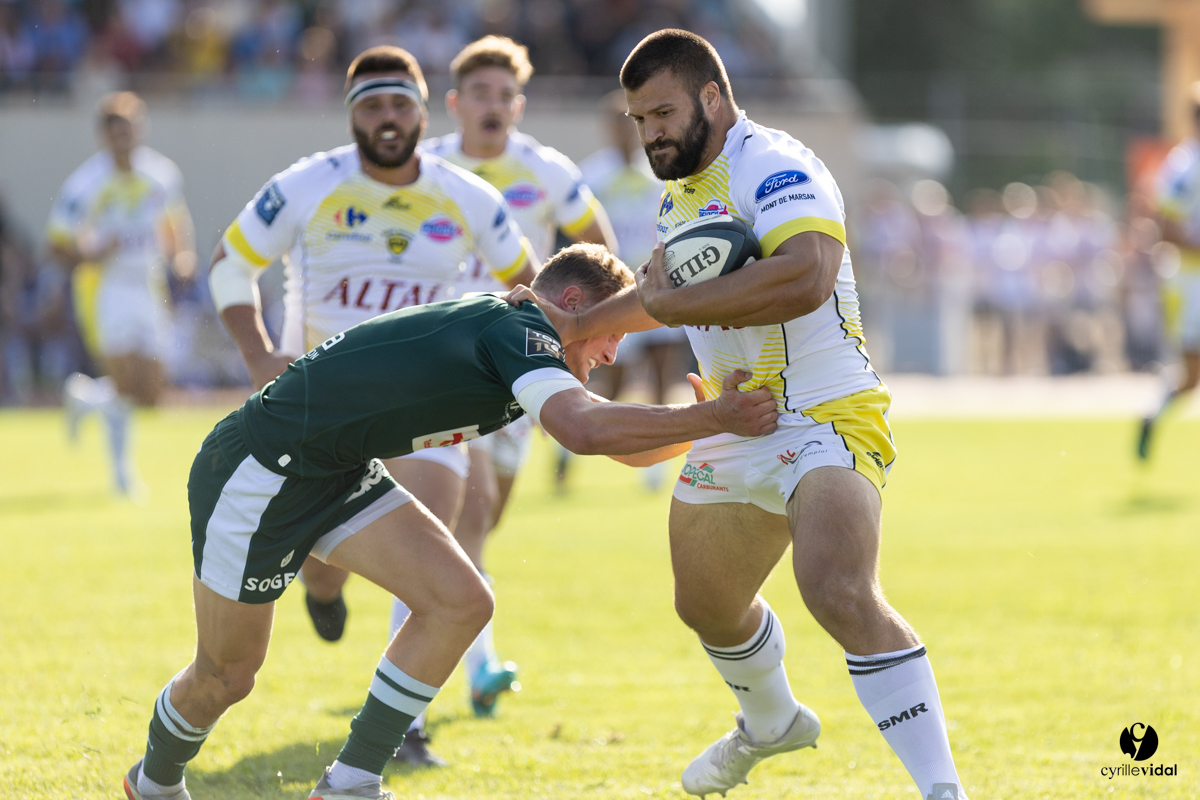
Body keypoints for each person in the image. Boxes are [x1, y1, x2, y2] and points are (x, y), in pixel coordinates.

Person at [121, 243, 778, 800]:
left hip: (336, 470)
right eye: (616, 335)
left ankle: (349, 783)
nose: (611, 355)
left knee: (461, 603)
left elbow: (615, 442)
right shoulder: (521, 329)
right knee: (226, 676)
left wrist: (705, 428)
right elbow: (582, 430)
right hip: (261, 469)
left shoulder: (529, 335)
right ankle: (152, 784)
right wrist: (711, 420)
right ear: (578, 304)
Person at [511, 30, 969, 800]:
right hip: (729, 420)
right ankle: (771, 721)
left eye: (662, 110)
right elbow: (667, 299)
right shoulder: (677, 192)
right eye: (638, 118)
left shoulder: (776, 163)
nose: (650, 130)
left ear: (713, 98)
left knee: (837, 589)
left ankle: (942, 790)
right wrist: (575, 325)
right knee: (706, 605)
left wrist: (665, 302)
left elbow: (807, 275)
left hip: (824, 412)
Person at [207, 44, 539, 764]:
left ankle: (402, 727)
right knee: (326, 566)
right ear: (352, 113)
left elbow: (530, 284)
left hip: (427, 405)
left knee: (432, 550)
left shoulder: (469, 195)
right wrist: (261, 355)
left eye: (399, 104)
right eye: (372, 105)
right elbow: (230, 265)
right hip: (325, 404)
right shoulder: (307, 185)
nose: (387, 118)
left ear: (422, 111)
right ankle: (323, 590)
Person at [418, 34, 618, 718]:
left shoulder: (547, 169)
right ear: (454, 103)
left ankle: (468, 648)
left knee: (485, 516)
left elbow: (599, 249)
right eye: (480, 93)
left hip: (523, 363)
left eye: (505, 95)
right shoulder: (428, 167)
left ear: (520, 104)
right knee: (464, 509)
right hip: (447, 356)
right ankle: (471, 670)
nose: (493, 105)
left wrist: (581, 323)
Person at [48, 91, 196, 499]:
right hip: (106, 287)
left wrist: (182, 257)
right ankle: (122, 475)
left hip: (148, 284)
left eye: (130, 131)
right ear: (103, 137)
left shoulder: (160, 174)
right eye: (116, 133)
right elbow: (57, 243)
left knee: (150, 393)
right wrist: (90, 251)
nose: (124, 140)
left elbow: (173, 223)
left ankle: (85, 398)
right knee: (124, 377)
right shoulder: (86, 184)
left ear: (139, 130)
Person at [579, 89, 688, 490]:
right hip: (615, 290)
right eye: (619, 123)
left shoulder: (661, 171)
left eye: (633, 122)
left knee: (663, 367)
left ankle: (658, 459)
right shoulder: (591, 175)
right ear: (608, 129)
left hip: (661, 282)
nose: (627, 132)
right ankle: (576, 447)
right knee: (615, 375)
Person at [1139, 81, 1200, 458]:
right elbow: (1165, 226)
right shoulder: (1185, 166)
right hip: (1192, 281)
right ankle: (1153, 414)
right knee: (1192, 377)